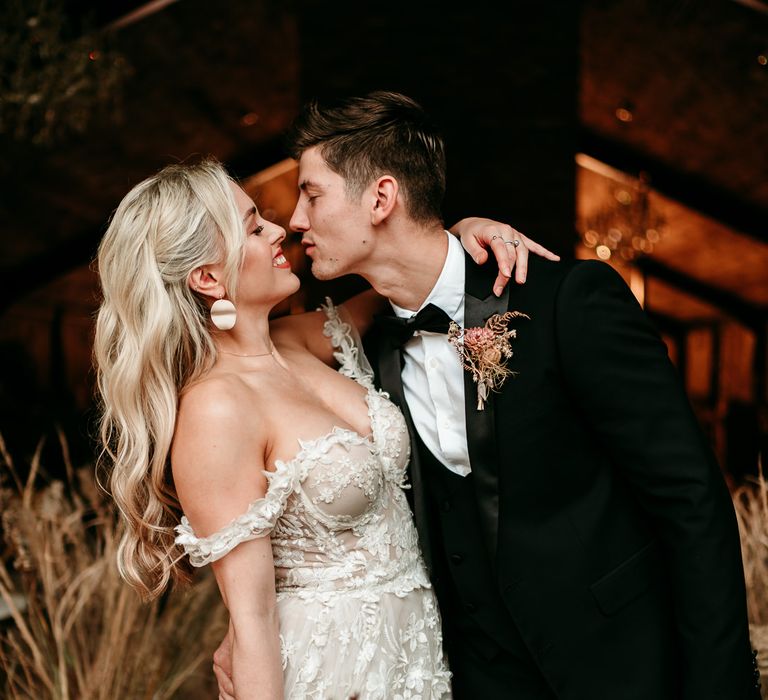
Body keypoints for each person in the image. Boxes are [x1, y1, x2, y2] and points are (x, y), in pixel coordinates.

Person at [217, 91, 760, 699]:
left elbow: (691, 500)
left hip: (622, 662)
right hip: (476, 677)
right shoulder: (358, 345)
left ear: (381, 198)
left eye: (312, 193)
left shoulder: (567, 303)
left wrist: (720, 686)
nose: (295, 219)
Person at [93, 158, 554, 699]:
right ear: (207, 277)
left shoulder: (300, 340)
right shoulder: (215, 409)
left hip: (416, 658)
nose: (279, 229)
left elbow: (410, 278)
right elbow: (254, 620)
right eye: (252, 226)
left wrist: (459, 233)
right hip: (334, 671)